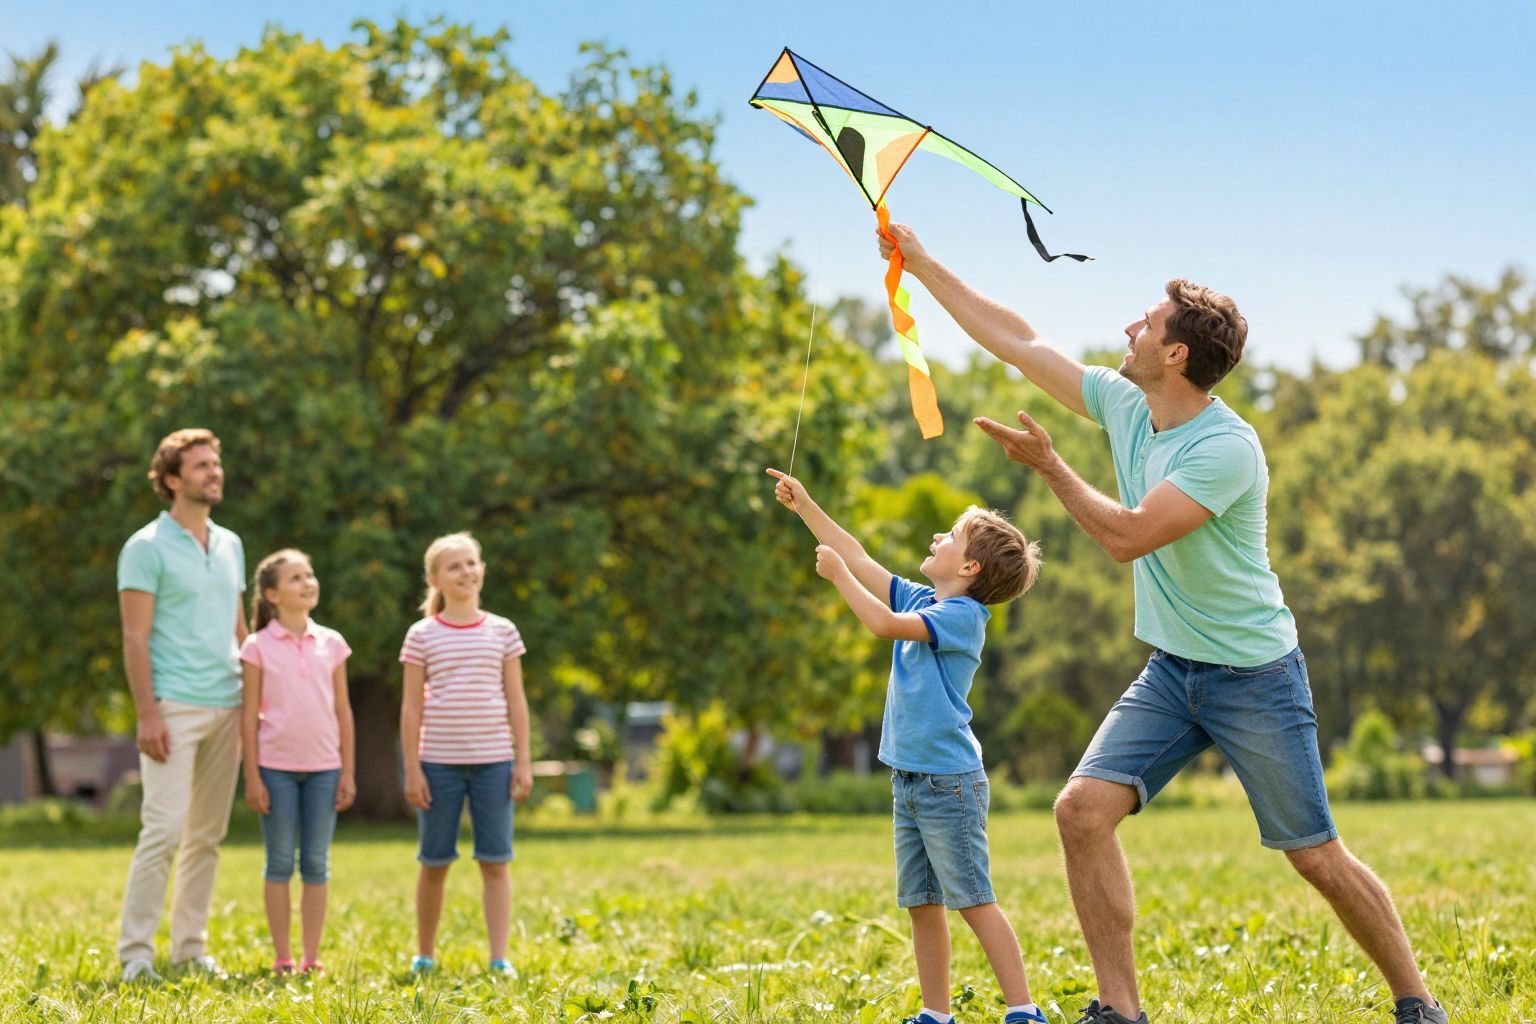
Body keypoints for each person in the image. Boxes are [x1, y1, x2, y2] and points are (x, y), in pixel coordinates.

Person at [877, 224, 1447, 1024]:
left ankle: (1417, 1001)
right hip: (1172, 671)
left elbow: (1127, 537)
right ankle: (1121, 1009)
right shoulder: (1126, 403)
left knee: (1314, 854)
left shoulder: (1226, 449)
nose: (1128, 331)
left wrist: (1049, 466)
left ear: (1177, 355)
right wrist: (921, 260)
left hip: (1255, 675)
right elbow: (1018, 341)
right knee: (1080, 812)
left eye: (1145, 324)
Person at [768, 467, 1047, 1024]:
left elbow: (883, 624)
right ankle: (936, 1014)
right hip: (910, 781)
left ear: (969, 568)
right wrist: (806, 509)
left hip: (949, 784)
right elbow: (857, 553)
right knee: (922, 903)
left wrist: (840, 579)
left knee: (972, 898)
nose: (936, 538)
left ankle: (1023, 1010)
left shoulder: (963, 616)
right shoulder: (926, 596)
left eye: (950, 535)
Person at [116, 428, 246, 982]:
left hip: (229, 706)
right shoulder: (144, 547)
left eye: (215, 464)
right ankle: (136, 954)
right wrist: (147, 714)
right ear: (172, 480)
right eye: (200, 466)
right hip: (174, 707)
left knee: (206, 837)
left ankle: (190, 947)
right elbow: (135, 638)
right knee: (163, 830)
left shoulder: (232, 544)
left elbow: (240, 629)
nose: (213, 472)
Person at [399, 532, 533, 977]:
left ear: (483, 570)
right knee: (434, 862)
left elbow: (516, 702)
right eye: (454, 567)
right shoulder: (421, 635)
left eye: (472, 563)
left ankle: (499, 958)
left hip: (495, 762)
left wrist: (524, 761)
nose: (465, 572)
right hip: (438, 765)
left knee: (495, 861)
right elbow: (411, 708)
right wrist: (414, 769)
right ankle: (425, 954)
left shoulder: (503, 631)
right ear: (435, 578)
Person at [240, 548, 356, 974]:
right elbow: (248, 716)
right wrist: (252, 777)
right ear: (272, 594)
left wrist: (348, 771)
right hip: (276, 770)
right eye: (295, 578)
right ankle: (283, 957)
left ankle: (310, 958)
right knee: (279, 862)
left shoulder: (332, 643)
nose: (308, 583)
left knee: (316, 863)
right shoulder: (256, 647)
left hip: (325, 769)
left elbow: (344, 712)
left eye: (310, 575)